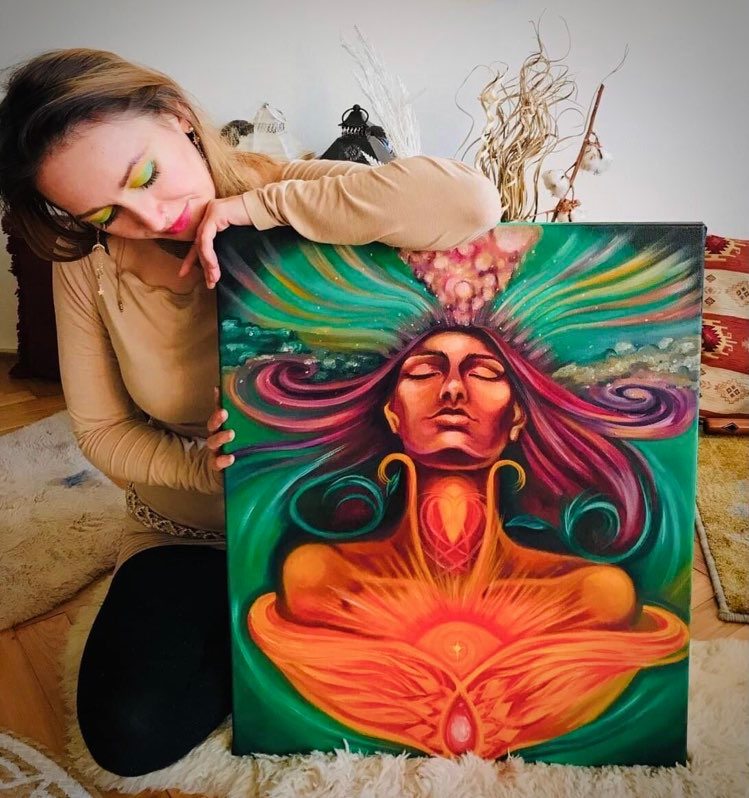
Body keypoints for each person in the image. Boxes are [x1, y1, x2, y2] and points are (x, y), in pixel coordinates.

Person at [0, 47, 503, 776]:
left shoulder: (285, 189)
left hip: (349, 519)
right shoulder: (92, 263)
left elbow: (471, 205)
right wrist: (207, 469)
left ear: (178, 118)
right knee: (130, 736)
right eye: (108, 212)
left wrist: (252, 211)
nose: (151, 216)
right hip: (193, 532)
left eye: (144, 176)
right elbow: (101, 431)